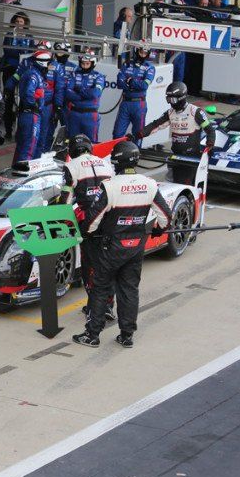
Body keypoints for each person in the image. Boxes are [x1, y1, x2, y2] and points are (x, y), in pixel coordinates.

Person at [72, 141, 172, 348]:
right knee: (129, 289)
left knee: (100, 289)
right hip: (135, 246)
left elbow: (92, 221)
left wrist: (86, 235)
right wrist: (158, 231)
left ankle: (92, 335)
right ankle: (127, 335)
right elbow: (166, 218)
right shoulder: (149, 184)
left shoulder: (109, 186)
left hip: (109, 248)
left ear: (116, 161)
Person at [58, 135, 115, 322]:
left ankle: (94, 307)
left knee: (89, 266)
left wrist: (60, 220)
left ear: (73, 150)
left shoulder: (71, 166)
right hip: (109, 219)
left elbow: (66, 200)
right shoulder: (106, 163)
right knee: (107, 265)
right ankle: (108, 305)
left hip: (88, 220)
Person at [139, 81, 215, 184]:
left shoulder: (195, 112)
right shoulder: (170, 113)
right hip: (175, 156)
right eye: (168, 99)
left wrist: (209, 145)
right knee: (170, 184)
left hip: (191, 158)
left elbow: (210, 130)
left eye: (173, 99)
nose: (170, 102)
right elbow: (155, 125)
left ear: (181, 98)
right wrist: (139, 134)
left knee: (185, 186)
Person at [13, 50, 49, 163]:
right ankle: (22, 176)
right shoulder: (34, 75)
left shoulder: (33, 73)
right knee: (29, 148)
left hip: (27, 115)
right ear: (44, 63)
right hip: (31, 116)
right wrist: (35, 105)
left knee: (22, 148)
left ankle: (15, 172)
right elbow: (29, 94)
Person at [113, 47, 155, 141]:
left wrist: (130, 81)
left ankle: (136, 154)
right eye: (141, 52)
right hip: (125, 103)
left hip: (139, 105)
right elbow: (120, 83)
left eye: (145, 53)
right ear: (137, 51)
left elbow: (144, 86)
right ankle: (116, 153)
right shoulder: (126, 64)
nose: (142, 55)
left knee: (138, 134)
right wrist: (135, 84)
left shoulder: (150, 68)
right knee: (117, 133)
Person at [1, 12, 32, 136]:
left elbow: (30, 52)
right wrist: (19, 51)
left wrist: (18, 52)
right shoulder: (10, 34)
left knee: (24, 99)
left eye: (21, 22)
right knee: (8, 99)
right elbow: (6, 50)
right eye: (17, 21)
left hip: (23, 70)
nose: (19, 24)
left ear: (25, 23)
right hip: (10, 68)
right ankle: (8, 130)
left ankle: (20, 131)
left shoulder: (29, 35)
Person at [64, 49, 106, 142]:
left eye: (87, 64)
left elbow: (95, 93)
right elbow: (68, 93)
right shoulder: (74, 74)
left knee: (91, 143)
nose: (85, 66)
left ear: (93, 63)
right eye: (83, 63)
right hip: (74, 114)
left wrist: (79, 90)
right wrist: (85, 94)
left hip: (90, 114)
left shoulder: (99, 76)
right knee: (72, 142)